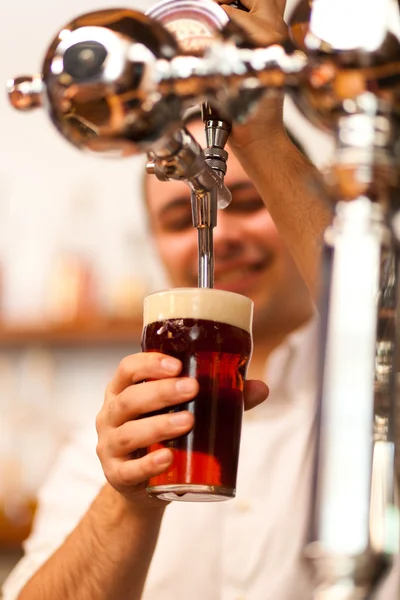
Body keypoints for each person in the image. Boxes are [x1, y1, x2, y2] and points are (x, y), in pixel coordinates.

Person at [2, 1, 398, 599]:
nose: (222, 234)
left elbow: (379, 329)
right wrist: (128, 499)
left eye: (251, 200)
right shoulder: (116, 436)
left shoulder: (358, 378)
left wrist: (261, 135)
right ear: (155, 246)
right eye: (175, 219)